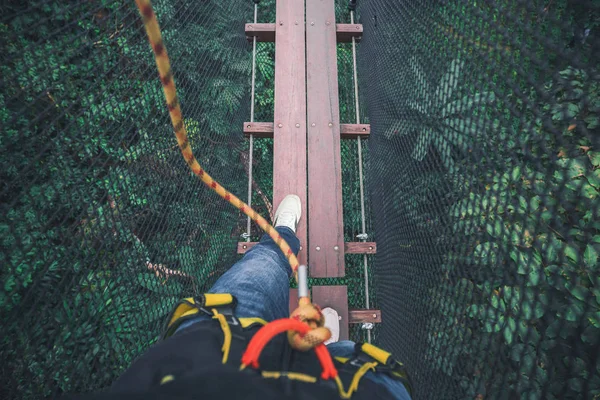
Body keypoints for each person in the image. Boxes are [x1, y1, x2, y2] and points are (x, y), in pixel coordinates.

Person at [69, 195, 412, 400]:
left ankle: (285, 235)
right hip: (345, 389)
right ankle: (326, 347)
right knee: (339, 359)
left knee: (264, 263)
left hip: (217, 341)